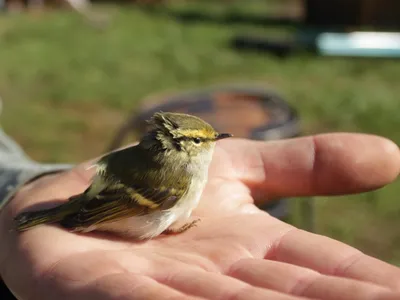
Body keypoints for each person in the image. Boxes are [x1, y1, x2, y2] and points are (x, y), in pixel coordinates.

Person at [0, 125, 399, 299]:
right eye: (201, 140)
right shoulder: (177, 177)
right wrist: (84, 218)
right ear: (183, 146)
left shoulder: (163, 163)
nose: (214, 143)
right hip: (114, 210)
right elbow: (124, 208)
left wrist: (23, 185)